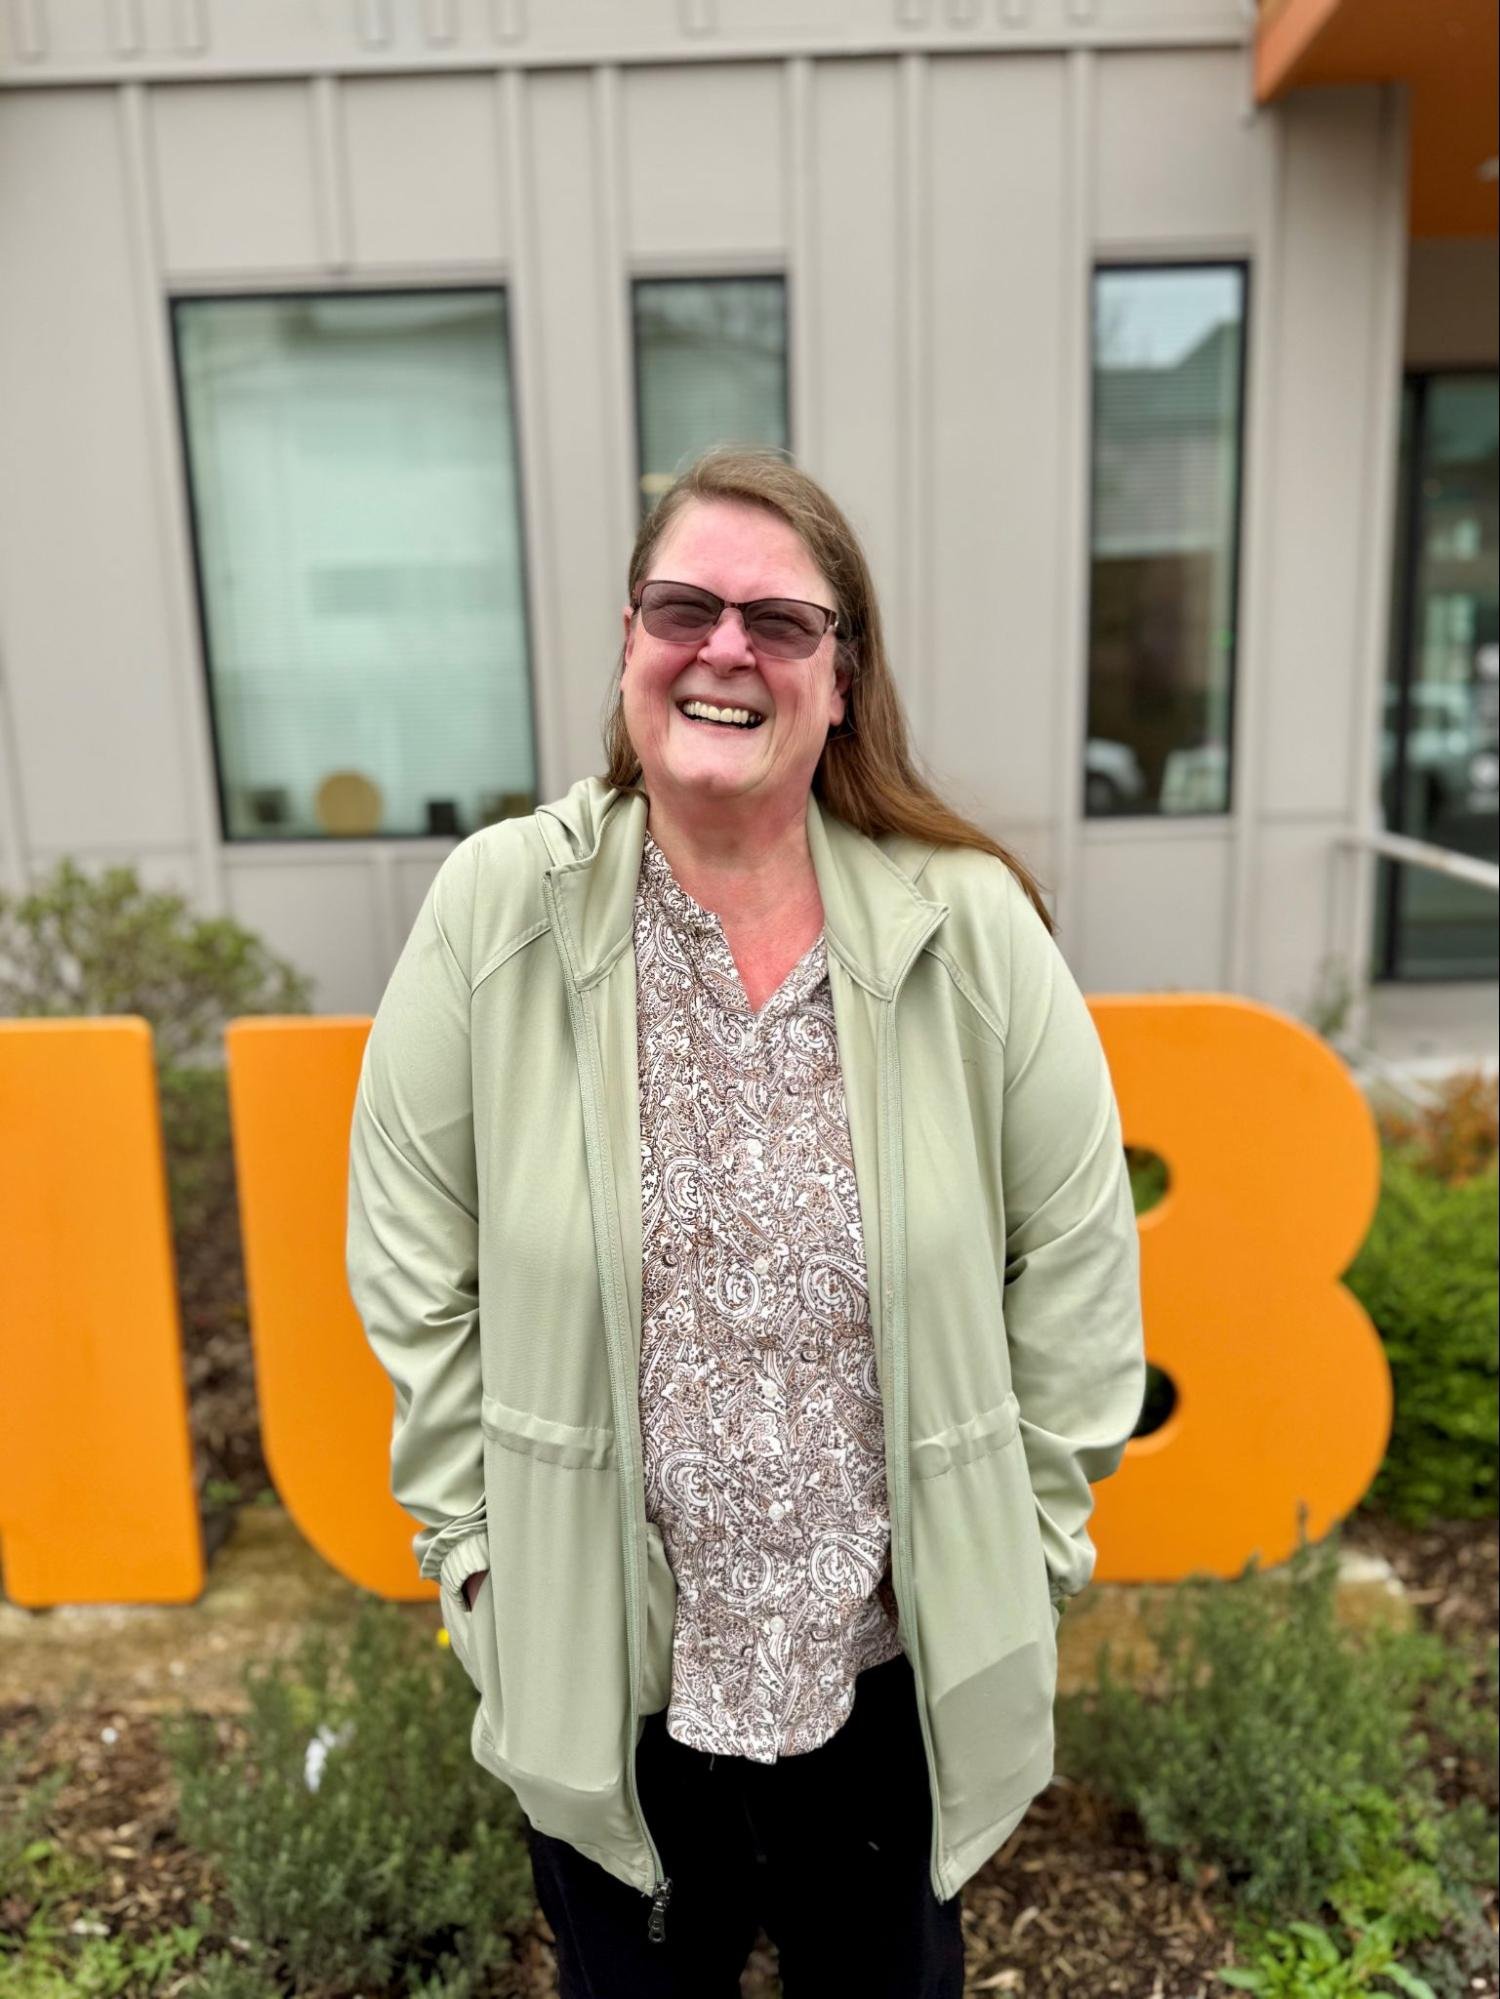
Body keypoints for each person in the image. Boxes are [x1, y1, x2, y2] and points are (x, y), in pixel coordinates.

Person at [346, 448, 1146, 1997]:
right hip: (606, 1675)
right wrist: (479, 1568)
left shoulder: (961, 926)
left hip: (891, 1684)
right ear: (630, 646)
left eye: (781, 623)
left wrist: (1027, 1549)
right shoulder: (499, 911)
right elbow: (409, 1259)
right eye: (683, 606)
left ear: (842, 679)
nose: (725, 648)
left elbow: (1080, 1263)